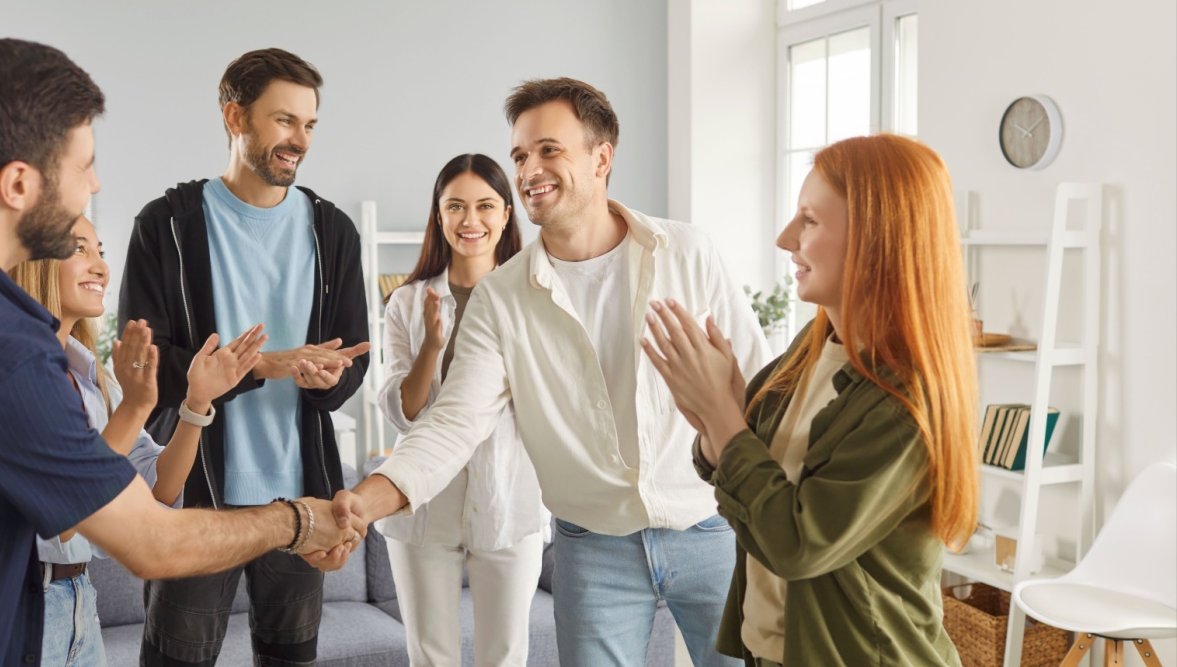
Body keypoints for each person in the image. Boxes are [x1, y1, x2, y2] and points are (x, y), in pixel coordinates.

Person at [0, 38, 358, 667]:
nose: (95, 183)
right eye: (83, 166)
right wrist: (296, 521)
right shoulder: (7, 355)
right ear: (17, 183)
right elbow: (151, 542)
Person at [334, 78, 772, 667]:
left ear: (601, 157)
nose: (529, 168)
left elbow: (762, 390)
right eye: (519, 155)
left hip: (710, 530)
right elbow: (451, 424)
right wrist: (364, 502)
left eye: (548, 150)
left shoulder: (687, 253)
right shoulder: (501, 298)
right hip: (593, 553)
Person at [641, 134, 979, 666]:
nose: (784, 238)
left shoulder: (906, 402)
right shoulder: (811, 349)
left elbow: (797, 543)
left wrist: (726, 421)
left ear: (878, 237)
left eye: (810, 220)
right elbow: (753, 484)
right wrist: (714, 424)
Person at [118, 47, 371, 667]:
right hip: (197, 498)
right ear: (235, 118)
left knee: (292, 659)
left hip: (303, 497)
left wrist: (324, 379)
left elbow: (351, 359)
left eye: (309, 125)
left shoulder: (332, 231)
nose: (300, 140)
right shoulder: (166, 225)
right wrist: (259, 366)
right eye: (284, 121)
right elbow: (142, 364)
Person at [9, 215, 269, 667]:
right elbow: (65, 513)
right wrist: (134, 406)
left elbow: (158, 487)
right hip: (22, 601)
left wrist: (196, 403)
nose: (102, 268)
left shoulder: (96, 382)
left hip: (78, 600)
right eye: (80, 250)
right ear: (33, 261)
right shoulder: (15, 375)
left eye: (101, 252)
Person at [379, 153, 548, 667]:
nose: (470, 221)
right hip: (423, 508)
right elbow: (403, 414)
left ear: (505, 215)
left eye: (484, 206)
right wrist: (431, 346)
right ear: (438, 215)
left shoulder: (535, 298)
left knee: (504, 657)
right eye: (455, 206)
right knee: (432, 657)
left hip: (510, 499)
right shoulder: (406, 303)